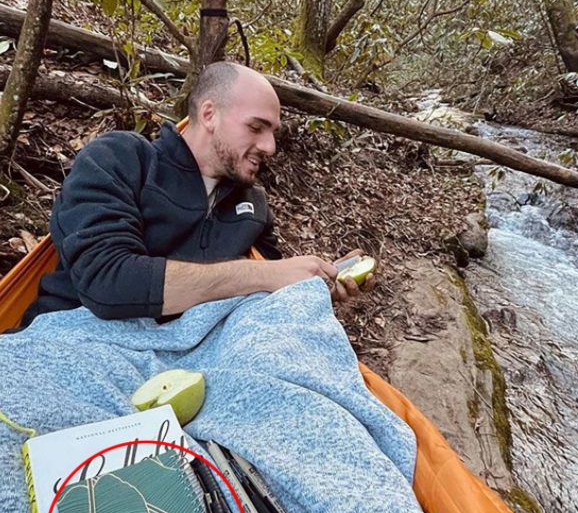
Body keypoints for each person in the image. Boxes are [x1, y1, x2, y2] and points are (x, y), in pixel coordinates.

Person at [21, 63, 372, 327]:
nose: (270, 146)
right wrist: (265, 274)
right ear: (208, 114)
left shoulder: (254, 208)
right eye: (256, 127)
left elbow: (260, 300)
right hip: (72, 338)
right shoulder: (120, 159)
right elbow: (107, 282)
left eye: (273, 132)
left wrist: (313, 285)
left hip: (186, 364)